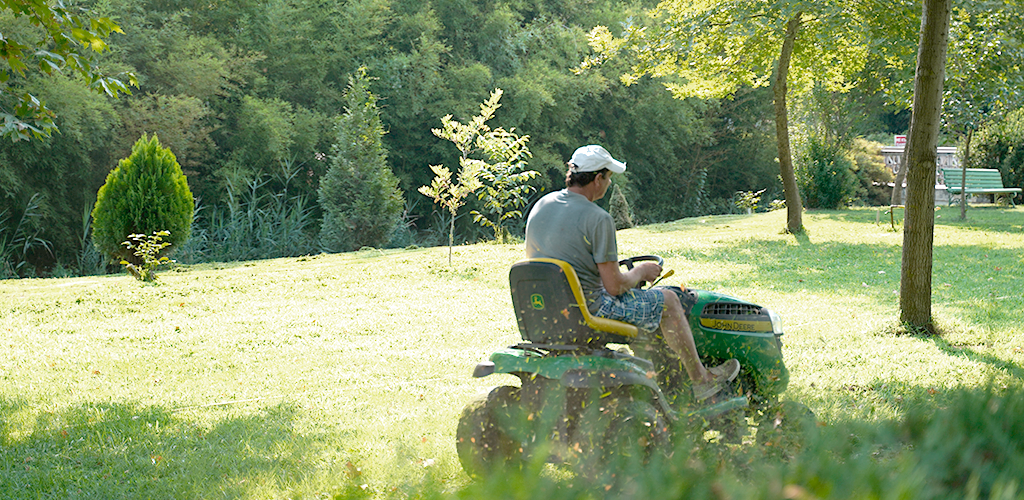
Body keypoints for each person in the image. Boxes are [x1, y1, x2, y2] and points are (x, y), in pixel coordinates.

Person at [524, 145, 739, 401]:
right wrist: (640, 271)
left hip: (548, 310)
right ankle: (701, 380)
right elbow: (615, 286)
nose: (608, 183)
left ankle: (657, 379)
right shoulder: (597, 218)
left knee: (643, 303)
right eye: (609, 177)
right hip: (590, 310)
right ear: (597, 179)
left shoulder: (541, 205)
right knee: (668, 300)